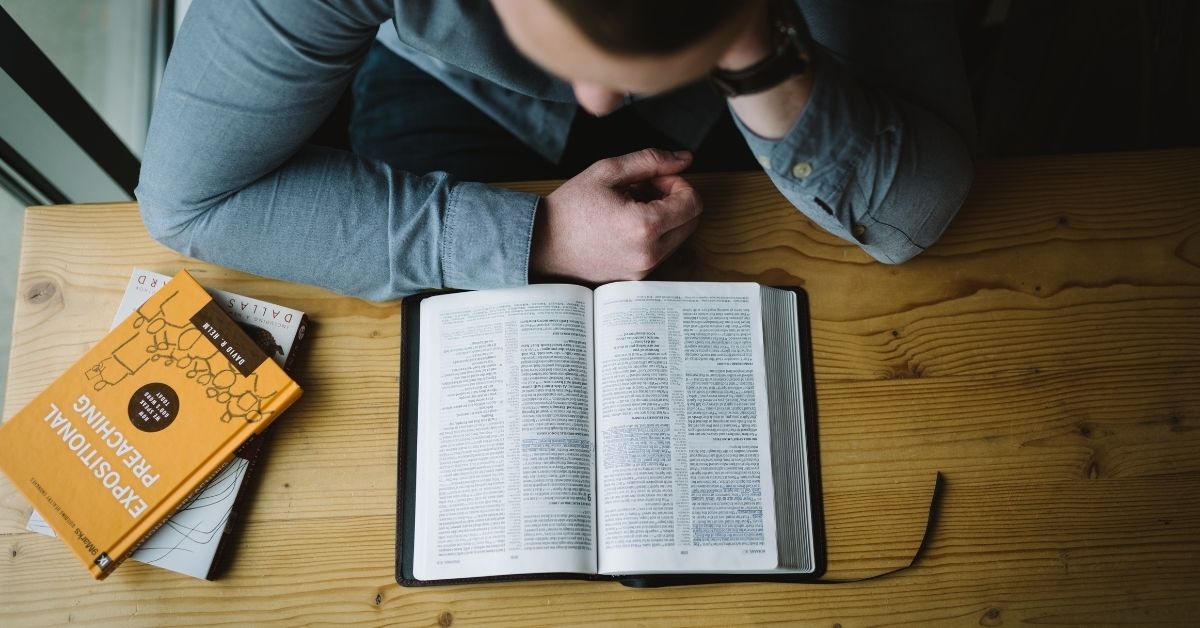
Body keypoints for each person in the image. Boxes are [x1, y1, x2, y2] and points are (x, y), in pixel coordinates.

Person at [136, 0, 974, 301]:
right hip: (451, 88)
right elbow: (190, 201)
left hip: (748, 78)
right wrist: (533, 237)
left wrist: (758, 53)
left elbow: (912, 215)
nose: (604, 103)